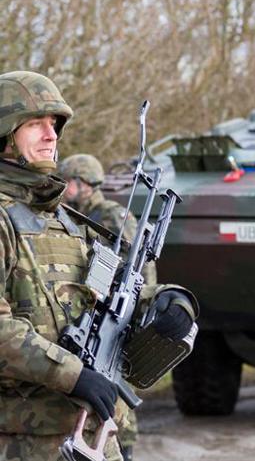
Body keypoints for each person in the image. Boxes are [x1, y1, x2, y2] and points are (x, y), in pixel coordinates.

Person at [0, 71, 198, 461]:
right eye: (36, 124)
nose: (51, 135)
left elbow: (105, 298)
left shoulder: (66, 221)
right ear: (5, 134)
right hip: (20, 442)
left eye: (54, 125)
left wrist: (166, 301)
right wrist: (73, 375)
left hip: (93, 436)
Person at [58, 154, 157, 461]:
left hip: (114, 312)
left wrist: (134, 309)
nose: (65, 187)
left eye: (70, 181)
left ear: (84, 183)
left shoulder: (111, 215)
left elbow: (138, 269)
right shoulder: (74, 215)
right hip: (92, 309)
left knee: (113, 387)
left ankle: (120, 444)